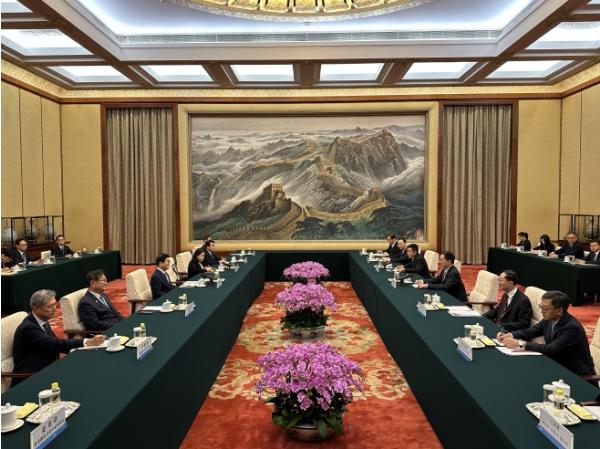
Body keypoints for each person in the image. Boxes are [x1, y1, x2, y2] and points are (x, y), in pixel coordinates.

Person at [12, 289, 105, 385]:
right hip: (32, 377)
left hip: (49, 366)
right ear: (37, 309)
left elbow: (55, 344)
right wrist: (86, 342)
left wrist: (80, 349)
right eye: (50, 306)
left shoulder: (42, 319)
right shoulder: (28, 328)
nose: (55, 309)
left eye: (55, 304)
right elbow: (54, 343)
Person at [498, 291, 596, 378]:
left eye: (545, 308)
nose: (541, 311)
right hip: (556, 365)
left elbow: (552, 349)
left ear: (559, 311)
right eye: (541, 306)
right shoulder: (549, 319)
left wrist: (520, 343)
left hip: (576, 375)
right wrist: (510, 335)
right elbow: (531, 331)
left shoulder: (572, 327)